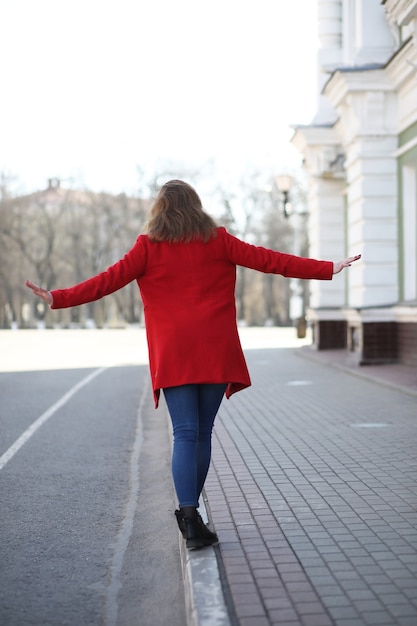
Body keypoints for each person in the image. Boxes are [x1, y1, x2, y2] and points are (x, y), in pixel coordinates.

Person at [25, 179, 361, 549]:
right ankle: (192, 515)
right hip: (215, 350)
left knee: (185, 432)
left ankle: (189, 515)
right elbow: (271, 261)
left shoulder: (147, 247)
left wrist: (57, 297)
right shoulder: (218, 240)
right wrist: (328, 267)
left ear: (160, 210)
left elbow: (106, 282)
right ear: (197, 206)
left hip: (175, 354)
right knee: (202, 432)